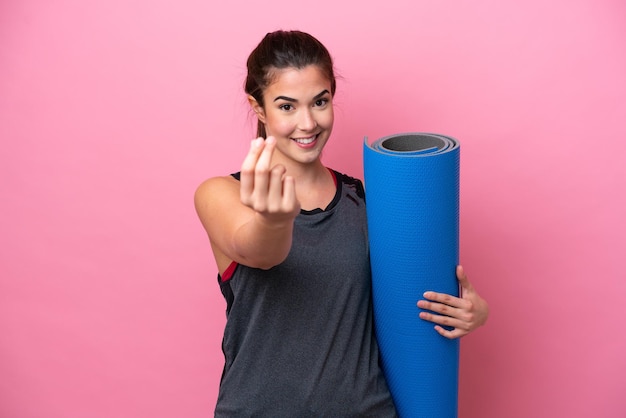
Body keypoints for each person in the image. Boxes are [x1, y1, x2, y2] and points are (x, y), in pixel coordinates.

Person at [194, 30, 489, 417]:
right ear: (259, 108)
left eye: (320, 101)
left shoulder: (367, 201)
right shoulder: (221, 194)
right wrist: (275, 220)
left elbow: (412, 301)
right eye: (286, 106)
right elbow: (259, 252)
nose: (307, 122)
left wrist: (474, 311)